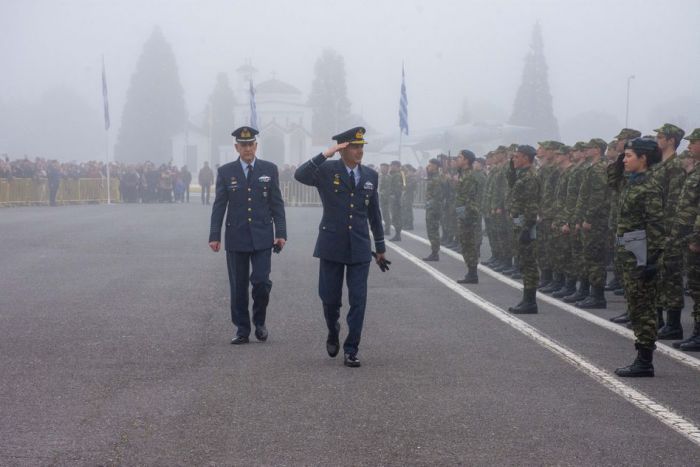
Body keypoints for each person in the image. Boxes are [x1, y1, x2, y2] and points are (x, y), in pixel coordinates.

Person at [294, 127, 388, 368]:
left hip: (359, 246)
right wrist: (326, 153)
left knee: (359, 300)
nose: (360, 151)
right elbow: (300, 175)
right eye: (355, 147)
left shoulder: (370, 175)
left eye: (361, 147)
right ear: (343, 149)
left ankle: (351, 348)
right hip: (331, 244)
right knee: (330, 299)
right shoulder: (326, 170)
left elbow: (374, 213)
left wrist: (380, 247)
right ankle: (333, 328)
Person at [209, 126, 287, 345]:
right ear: (237, 147)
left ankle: (259, 322)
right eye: (242, 145)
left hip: (263, 236)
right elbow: (219, 205)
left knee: (261, 282)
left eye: (250, 144)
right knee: (238, 286)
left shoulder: (269, 169)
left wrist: (280, 232)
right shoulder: (226, 172)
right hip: (236, 236)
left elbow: (276, 204)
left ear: (256, 146)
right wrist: (214, 235)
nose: (247, 149)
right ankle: (242, 328)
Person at [610, 137, 664, 377]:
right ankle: (642, 356)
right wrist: (619, 156)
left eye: (629, 156)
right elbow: (611, 180)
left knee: (643, 307)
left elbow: (656, 225)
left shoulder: (649, 186)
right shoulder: (632, 182)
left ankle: (645, 360)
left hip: (641, 253)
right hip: (629, 251)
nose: (625, 160)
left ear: (644, 158)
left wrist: (651, 260)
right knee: (635, 304)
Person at [507, 145, 541, 314]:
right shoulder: (522, 175)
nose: (514, 159)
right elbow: (511, 184)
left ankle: (531, 302)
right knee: (524, 261)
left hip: (527, 224)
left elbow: (531, 204)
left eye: (517, 157)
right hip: (520, 223)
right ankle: (526, 299)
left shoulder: (531, 177)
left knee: (529, 263)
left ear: (526, 158)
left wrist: (527, 227)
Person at [454, 149, 483, 284]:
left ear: (466, 160)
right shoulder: (463, 174)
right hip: (464, 212)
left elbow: (466, 197)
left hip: (468, 213)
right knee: (465, 243)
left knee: (468, 243)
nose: (457, 159)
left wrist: (462, 214)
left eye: (460, 157)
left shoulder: (470, 176)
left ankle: (472, 274)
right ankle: (471, 272)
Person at [422, 158, 444, 261]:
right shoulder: (433, 177)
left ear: (435, 166)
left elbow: (438, 196)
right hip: (431, 207)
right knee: (431, 230)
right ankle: (434, 252)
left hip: (434, 208)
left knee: (433, 230)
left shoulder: (437, 179)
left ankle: (435, 253)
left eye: (430, 165)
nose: (428, 167)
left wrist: (433, 207)